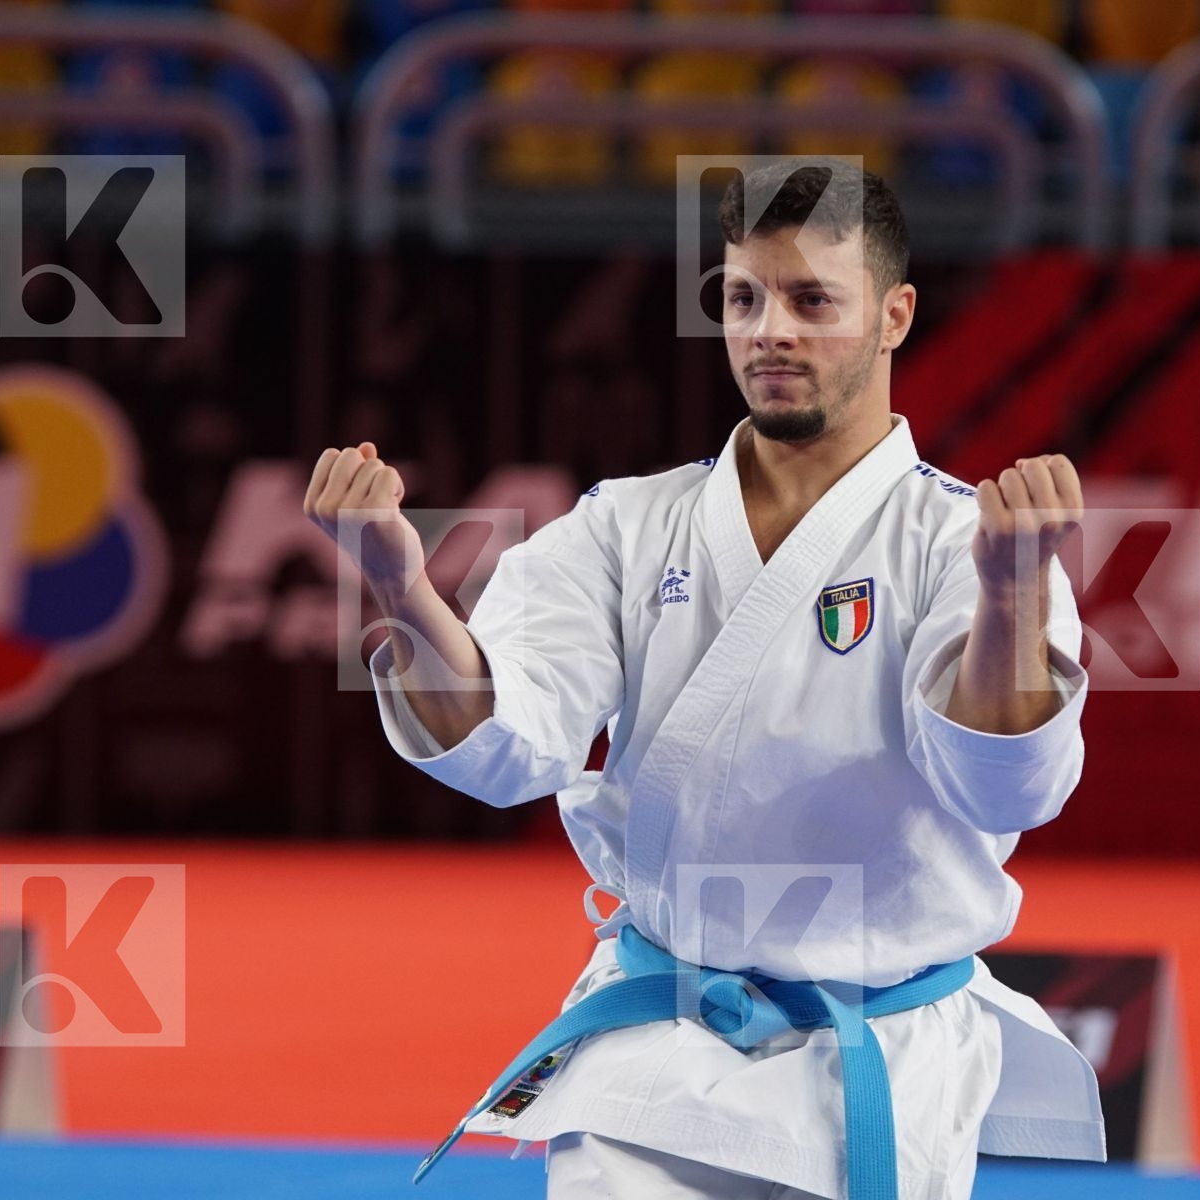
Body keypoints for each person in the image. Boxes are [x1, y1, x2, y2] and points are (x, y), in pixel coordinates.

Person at [302, 158, 1104, 1199]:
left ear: (895, 316)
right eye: (743, 298)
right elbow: (505, 749)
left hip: (877, 1057)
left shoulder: (963, 540)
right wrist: (402, 589)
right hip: (658, 1053)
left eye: (812, 300)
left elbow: (1004, 789)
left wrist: (1010, 596)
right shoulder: (626, 525)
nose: (770, 331)